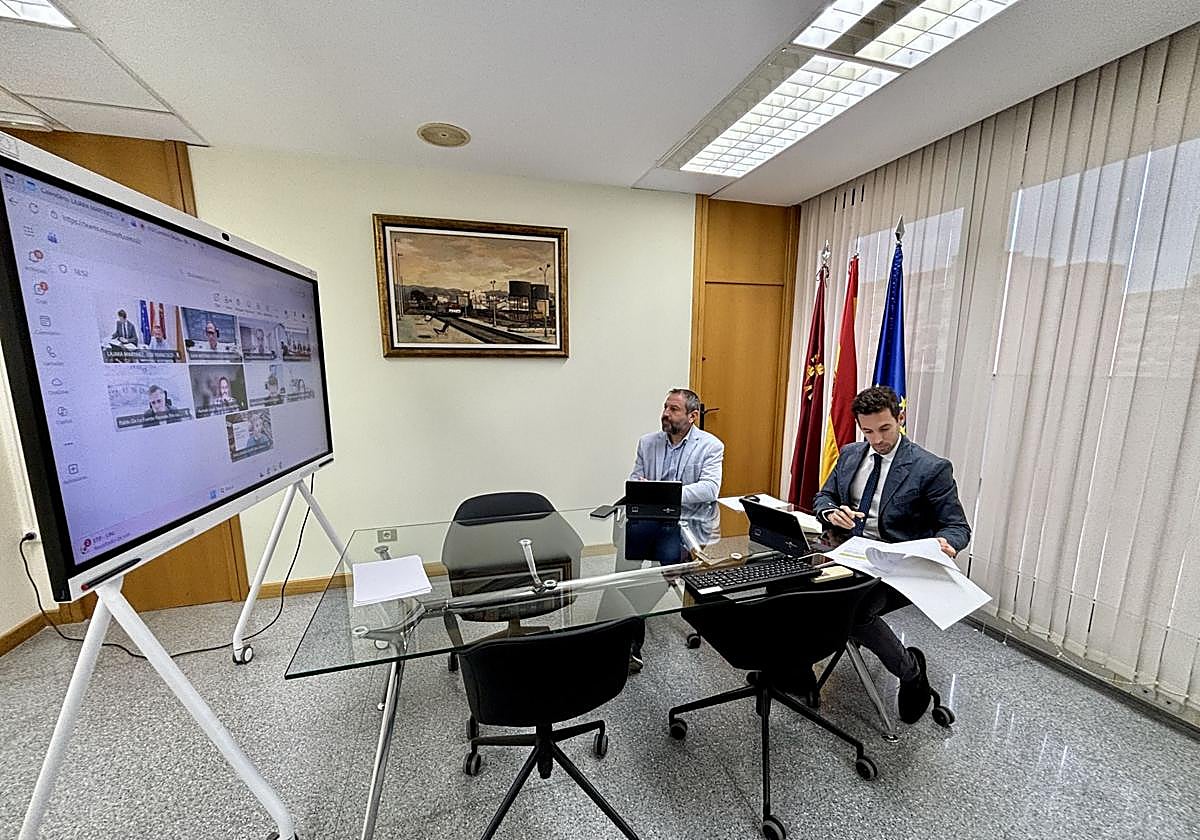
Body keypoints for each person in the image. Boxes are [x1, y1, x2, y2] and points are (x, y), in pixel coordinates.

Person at [812, 385, 971, 724]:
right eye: (868, 431)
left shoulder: (930, 468)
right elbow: (823, 498)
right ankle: (794, 670)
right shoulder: (851, 454)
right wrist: (831, 513)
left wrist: (947, 543)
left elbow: (957, 526)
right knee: (795, 589)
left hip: (898, 565)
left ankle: (911, 672)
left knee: (857, 611)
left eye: (884, 429)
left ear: (900, 418)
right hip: (849, 552)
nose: (877, 439)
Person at [623, 388, 724, 671]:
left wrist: (664, 494)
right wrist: (643, 489)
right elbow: (636, 479)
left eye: (674, 409)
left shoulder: (710, 446)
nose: (665, 414)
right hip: (651, 517)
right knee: (625, 558)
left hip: (688, 522)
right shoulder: (648, 443)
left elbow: (710, 488)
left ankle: (630, 642)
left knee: (662, 565)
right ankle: (620, 622)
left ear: (693, 416)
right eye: (665, 407)